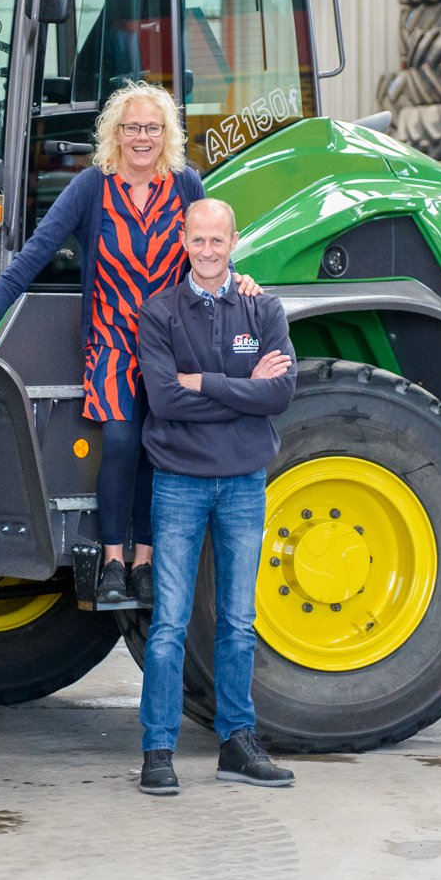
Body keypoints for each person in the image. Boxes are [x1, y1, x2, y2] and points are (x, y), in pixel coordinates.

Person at [0, 82, 258, 606]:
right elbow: (35, 251)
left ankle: (145, 562)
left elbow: (209, 252)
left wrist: (238, 282)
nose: (142, 138)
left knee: (159, 450)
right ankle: (113, 560)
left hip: (171, 344)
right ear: (115, 134)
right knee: (120, 443)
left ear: (166, 135)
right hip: (112, 339)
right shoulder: (92, 187)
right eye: (131, 128)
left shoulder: (185, 185)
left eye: (152, 128)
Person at [134, 197, 297, 796]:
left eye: (217, 241)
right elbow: (164, 400)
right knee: (170, 623)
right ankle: (157, 750)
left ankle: (237, 743)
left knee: (239, 620)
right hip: (178, 480)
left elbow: (279, 394)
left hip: (243, 481)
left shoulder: (264, 308)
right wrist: (240, 389)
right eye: (197, 241)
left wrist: (203, 381)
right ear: (183, 240)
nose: (207, 251)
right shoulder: (159, 314)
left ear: (235, 243)